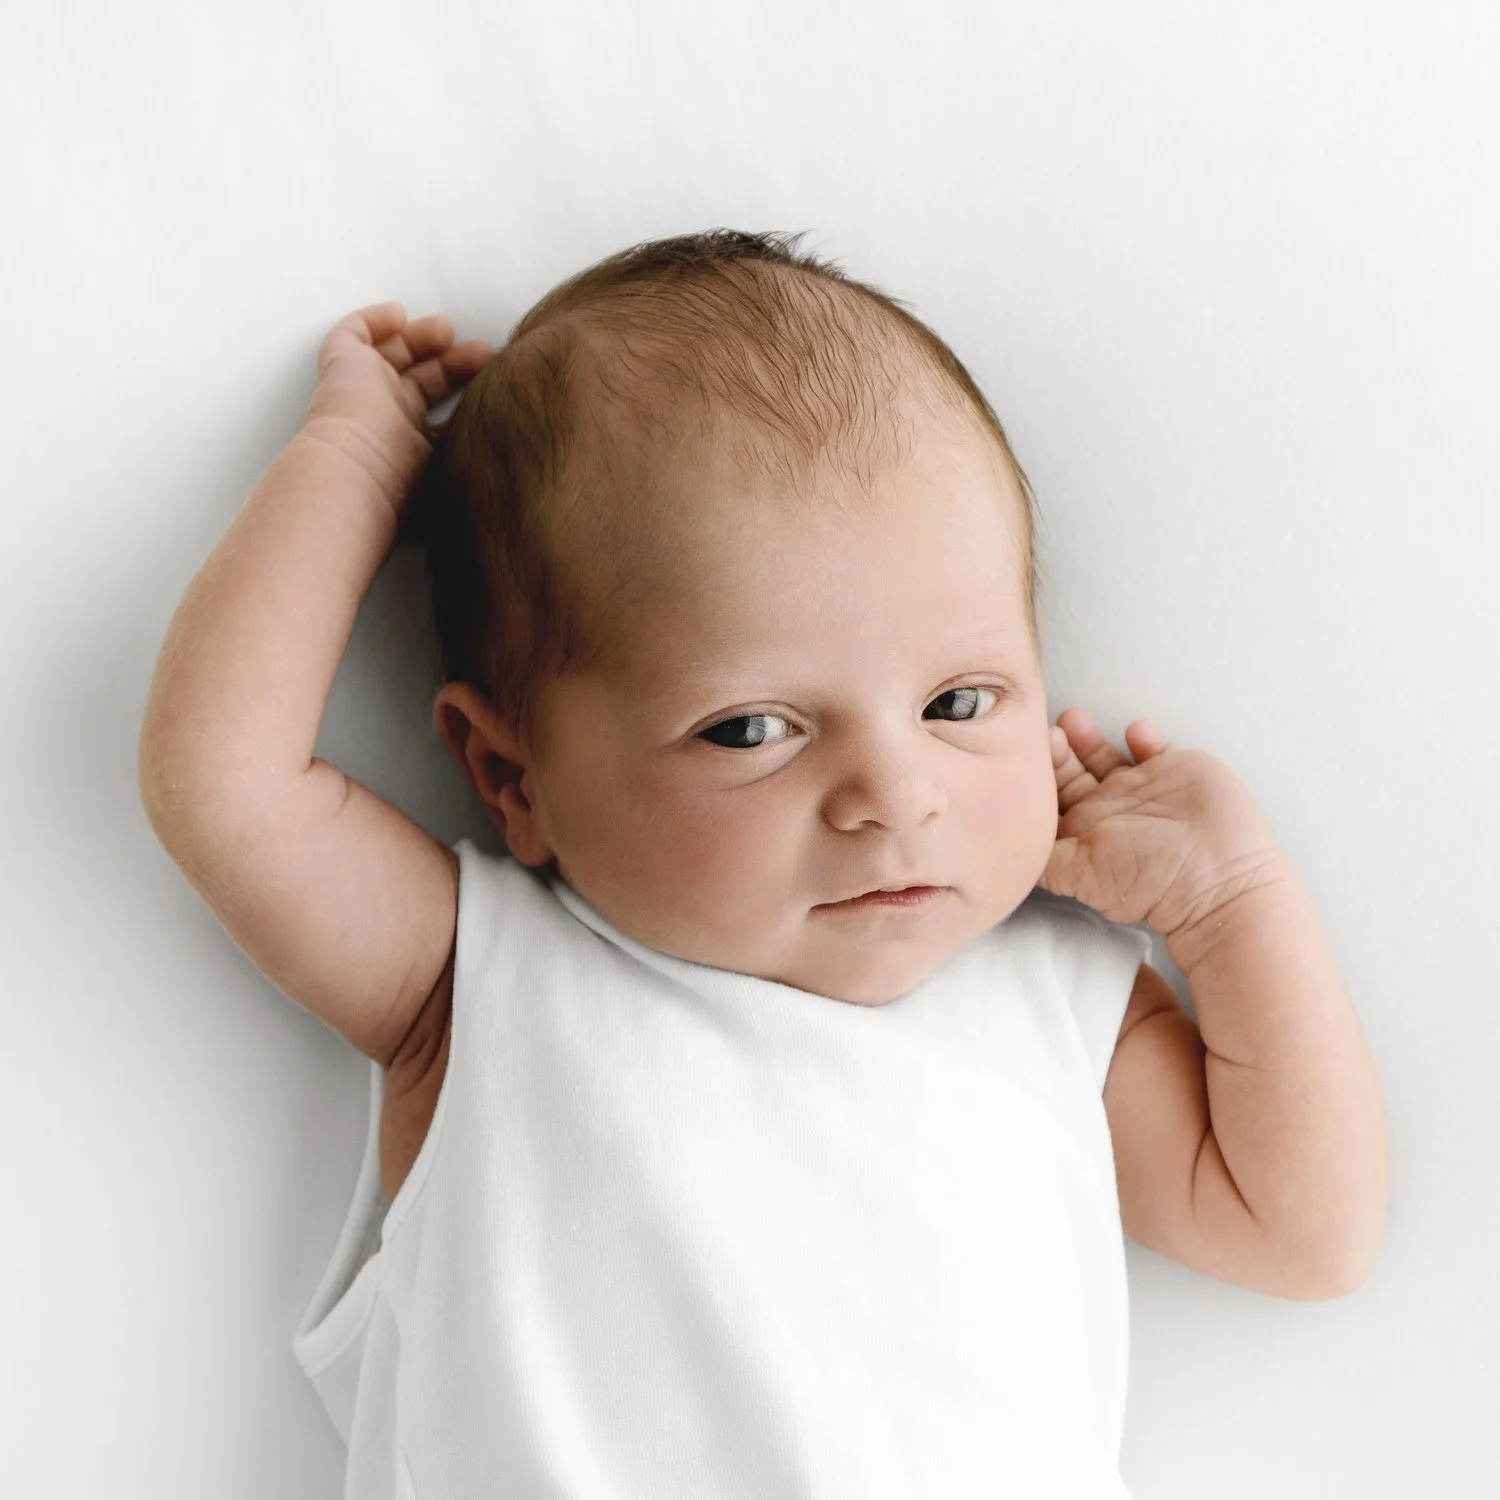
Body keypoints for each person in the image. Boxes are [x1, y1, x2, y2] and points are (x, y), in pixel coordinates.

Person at [138, 228, 1387, 1497]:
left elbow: (1302, 1229)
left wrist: (1230, 908)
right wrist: (355, 465)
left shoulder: (1060, 998)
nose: (893, 795)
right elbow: (224, 786)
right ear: (515, 779)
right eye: (751, 731)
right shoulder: (479, 985)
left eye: (958, 703)